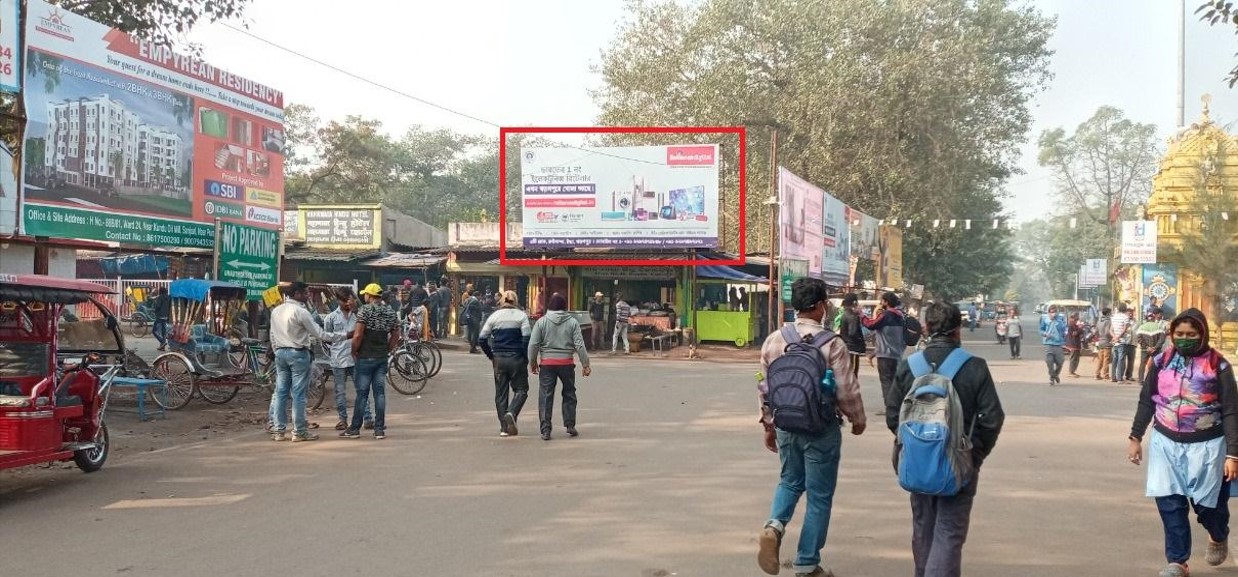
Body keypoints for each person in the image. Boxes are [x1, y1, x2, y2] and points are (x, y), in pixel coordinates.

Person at [885, 301, 1005, 577]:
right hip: (960, 462)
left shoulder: (909, 366)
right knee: (949, 531)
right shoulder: (974, 367)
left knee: (922, 526)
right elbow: (992, 417)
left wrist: (916, 446)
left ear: (926, 328)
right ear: (958, 330)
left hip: (916, 461)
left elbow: (894, 415)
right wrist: (974, 454)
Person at [756, 277, 866, 577]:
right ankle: (806, 564)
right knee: (819, 496)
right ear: (820, 306)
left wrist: (768, 424)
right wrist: (858, 420)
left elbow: (765, 388)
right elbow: (847, 391)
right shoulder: (833, 343)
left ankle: (774, 526)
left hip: (786, 425)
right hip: (821, 428)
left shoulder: (774, 340)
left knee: (790, 481)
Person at [1128, 308, 1238, 577]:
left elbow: (1231, 410)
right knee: (1170, 503)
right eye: (1180, 334)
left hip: (1209, 446)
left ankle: (1217, 532)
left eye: (1191, 334)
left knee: (1207, 506)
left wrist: (1233, 454)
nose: (1185, 338)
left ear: (1202, 334)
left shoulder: (1218, 365)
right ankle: (1178, 561)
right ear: (1172, 334)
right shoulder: (1161, 361)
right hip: (1166, 442)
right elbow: (1147, 401)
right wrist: (1135, 436)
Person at [270, 282, 348, 442]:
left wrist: (276, 349)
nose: (308, 296)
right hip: (298, 353)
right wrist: (345, 335)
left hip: (280, 353)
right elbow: (320, 334)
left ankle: (279, 430)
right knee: (298, 394)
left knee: (281, 393)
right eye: (306, 293)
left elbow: (272, 335)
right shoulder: (301, 312)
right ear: (297, 294)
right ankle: (299, 431)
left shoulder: (276, 311)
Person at [528, 293, 591, 441]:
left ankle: (545, 430)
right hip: (566, 364)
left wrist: (532, 363)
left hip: (547, 364)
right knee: (569, 393)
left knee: (546, 396)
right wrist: (586, 364)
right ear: (564, 307)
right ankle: (570, 425)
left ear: (549, 306)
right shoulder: (573, 322)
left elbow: (533, 344)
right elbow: (579, 345)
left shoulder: (541, 322)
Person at [340, 283, 400, 440]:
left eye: (365, 294)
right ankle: (379, 429)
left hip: (365, 357)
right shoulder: (390, 312)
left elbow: (358, 335)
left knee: (362, 394)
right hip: (381, 358)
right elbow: (396, 335)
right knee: (380, 393)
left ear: (369, 295)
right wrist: (387, 349)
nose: (363, 297)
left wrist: (354, 351)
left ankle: (354, 429)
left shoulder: (365, 310)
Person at [479, 290, 532, 437]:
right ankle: (512, 412)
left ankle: (504, 428)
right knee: (521, 390)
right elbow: (527, 338)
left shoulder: (494, 317)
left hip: (499, 359)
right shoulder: (522, 316)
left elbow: (482, 339)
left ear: (501, 301)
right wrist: (524, 355)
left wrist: (491, 356)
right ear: (515, 301)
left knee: (501, 394)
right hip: (516, 358)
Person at [323, 287, 373, 431]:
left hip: (355, 358)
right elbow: (326, 337)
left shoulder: (359, 315)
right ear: (338, 301)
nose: (347, 303)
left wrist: (356, 310)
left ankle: (368, 418)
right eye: (344, 301)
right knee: (340, 391)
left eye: (349, 300)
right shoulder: (331, 318)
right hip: (338, 359)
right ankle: (342, 420)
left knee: (361, 389)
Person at [861, 291, 906, 414]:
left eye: (882, 300)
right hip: (896, 355)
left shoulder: (886, 315)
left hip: (885, 356)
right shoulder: (900, 316)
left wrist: (861, 315)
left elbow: (870, 324)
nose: (880, 303)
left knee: (886, 382)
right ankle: (897, 406)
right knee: (893, 382)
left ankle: (890, 409)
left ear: (886, 302)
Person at [838, 293, 866, 381]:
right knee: (853, 372)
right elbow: (852, 332)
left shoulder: (844, 315)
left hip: (847, 345)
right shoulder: (853, 316)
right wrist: (860, 340)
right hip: (853, 347)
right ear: (854, 302)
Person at [1136, 308, 1169, 382]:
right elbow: (1162, 339)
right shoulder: (1158, 326)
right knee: (1158, 363)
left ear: (1147, 319)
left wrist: (1147, 347)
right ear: (1154, 318)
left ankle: (1141, 379)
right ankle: (1156, 379)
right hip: (1156, 350)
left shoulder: (1142, 327)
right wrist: (1155, 347)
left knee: (1143, 363)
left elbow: (1139, 339)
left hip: (1145, 349)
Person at [1039, 305, 1067, 385]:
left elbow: (1064, 328)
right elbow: (1041, 329)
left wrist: (1057, 321)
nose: (1053, 313)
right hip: (1049, 343)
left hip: (1058, 344)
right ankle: (1052, 377)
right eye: (1051, 312)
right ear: (1048, 312)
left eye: (1054, 312)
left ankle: (1055, 374)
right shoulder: (1044, 319)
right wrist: (1045, 334)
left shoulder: (1060, 319)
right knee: (1049, 361)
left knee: (1060, 361)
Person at [1111, 303, 1134, 383]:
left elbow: (1110, 330)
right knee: (1121, 359)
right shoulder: (1125, 317)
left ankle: (1113, 377)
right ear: (1125, 309)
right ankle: (1119, 378)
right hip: (1122, 341)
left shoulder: (1114, 317)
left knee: (1115, 359)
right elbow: (1125, 329)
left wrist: (1114, 337)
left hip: (1115, 341)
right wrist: (1119, 337)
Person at [1095, 307, 1113, 381]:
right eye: (1110, 312)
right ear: (1108, 313)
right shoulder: (1108, 321)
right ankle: (1106, 375)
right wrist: (1111, 339)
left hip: (1100, 342)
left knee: (1100, 359)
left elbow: (1096, 332)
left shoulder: (1099, 320)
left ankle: (1097, 374)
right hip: (1107, 341)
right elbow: (1107, 332)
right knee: (1106, 359)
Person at [1065, 312, 1084, 378]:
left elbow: (1080, 332)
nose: (1078, 318)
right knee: (1073, 358)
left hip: (1077, 344)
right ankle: (1070, 371)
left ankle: (1073, 371)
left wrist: (1080, 328)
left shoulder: (1075, 324)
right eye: (1077, 316)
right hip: (1073, 344)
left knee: (1076, 359)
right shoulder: (1071, 325)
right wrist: (1080, 328)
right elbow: (1074, 333)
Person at [152, 287, 171, 352]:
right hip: (166, 316)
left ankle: (162, 342)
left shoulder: (160, 297)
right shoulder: (169, 298)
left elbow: (158, 306)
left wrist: (155, 312)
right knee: (163, 331)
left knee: (154, 331)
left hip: (160, 316)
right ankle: (162, 347)